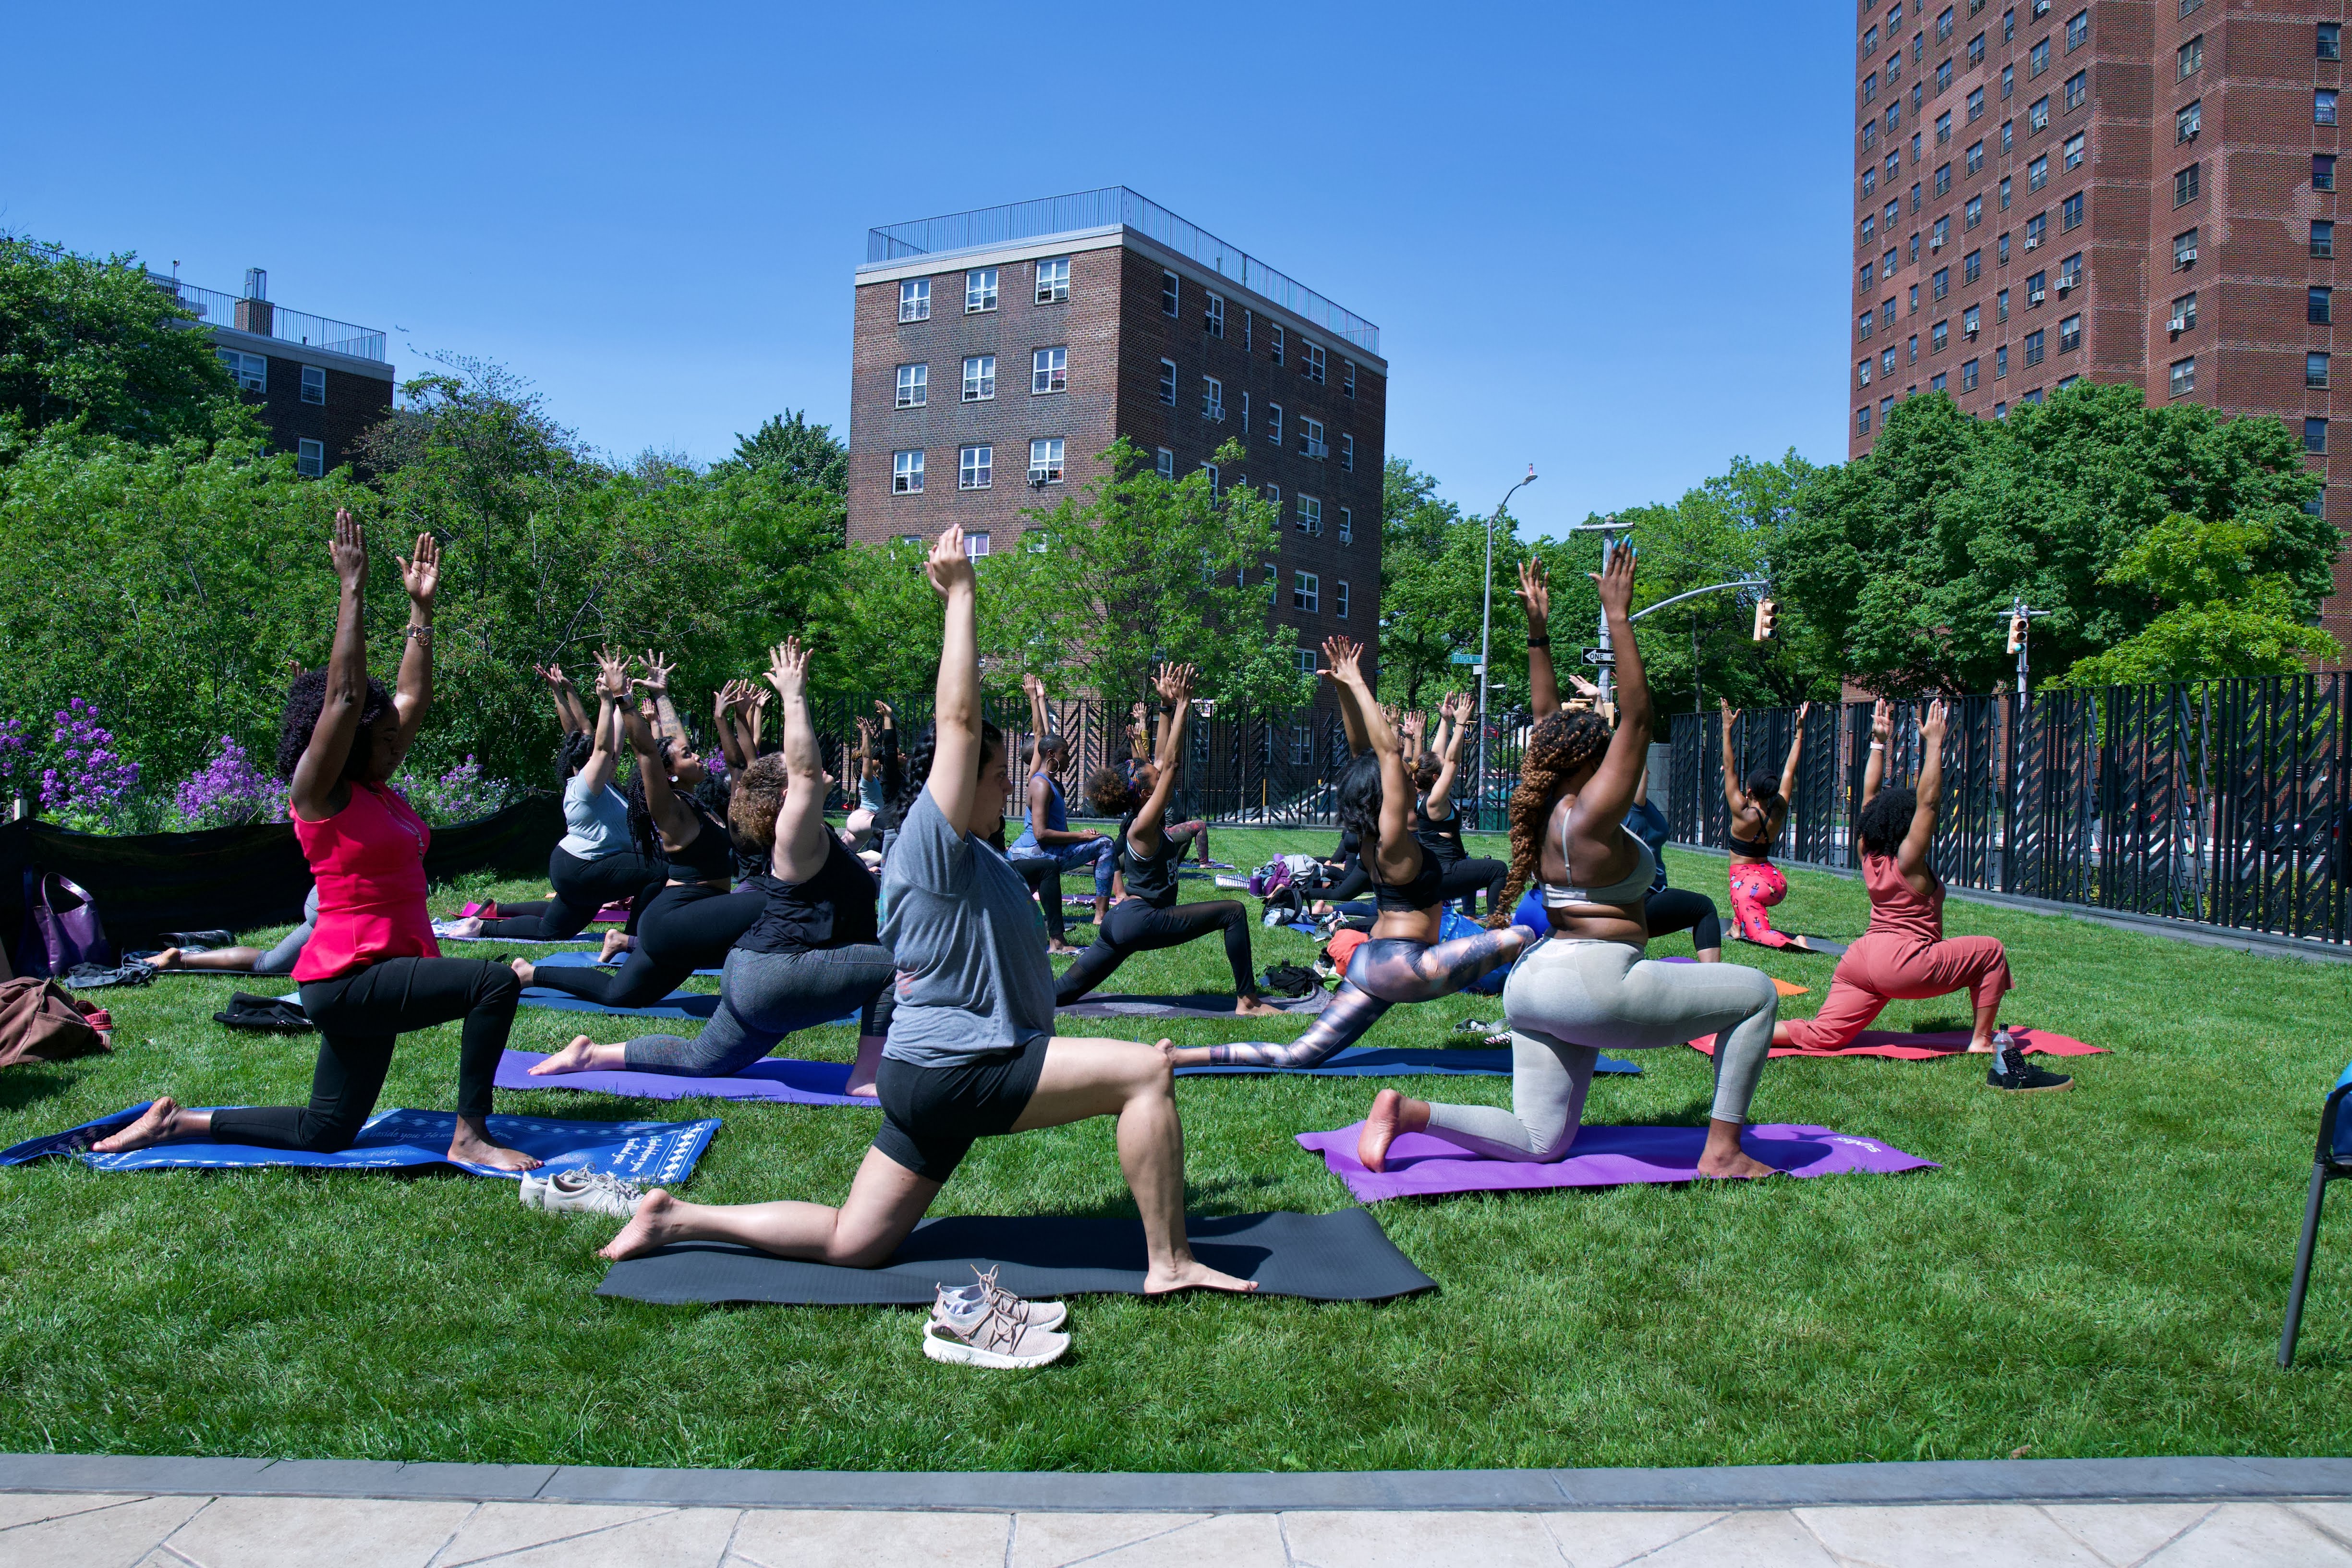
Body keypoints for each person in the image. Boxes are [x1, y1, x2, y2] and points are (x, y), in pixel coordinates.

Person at [596, 525, 1257, 1307]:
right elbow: (958, 723)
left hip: (931, 1068)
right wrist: (962, 598)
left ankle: (676, 1217)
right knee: (1146, 1077)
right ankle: (1170, 1262)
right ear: (958, 782)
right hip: (954, 1069)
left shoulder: (972, 855)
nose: (1007, 790)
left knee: (857, 1241)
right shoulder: (931, 846)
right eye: (997, 777)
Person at [95, 511, 539, 1170]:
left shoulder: (378, 789)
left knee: (324, 1131)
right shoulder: (319, 796)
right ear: (349, 737)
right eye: (383, 735)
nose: (398, 741)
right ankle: (470, 1133)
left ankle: (176, 1121)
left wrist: (422, 612)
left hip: (381, 974)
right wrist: (352, 590)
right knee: (492, 985)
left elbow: (410, 695)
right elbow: (342, 697)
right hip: (352, 976)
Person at [1356, 544, 1782, 1179]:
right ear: (1589, 758)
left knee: (1539, 1140)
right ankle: (1722, 1151)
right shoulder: (1588, 815)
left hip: (1534, 985)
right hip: (1594, 985)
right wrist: (1617, 615)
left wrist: (1538, 633)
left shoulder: (1549, 799)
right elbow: (1637, 715)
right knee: (1755, 995)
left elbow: (1543, 713)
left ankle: (1406, 1111)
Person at [531, 638, 895, 1096]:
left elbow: (753, 762)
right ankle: (867, 1077)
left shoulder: (796, 833)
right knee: (894, 965)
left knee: (700, 1059)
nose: (811, 765)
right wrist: (794, 696)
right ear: (788, 799)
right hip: (763, 967)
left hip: (753, 971)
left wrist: (663, 697)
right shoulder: (786, 835)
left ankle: (592, 1054)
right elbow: (796, 773)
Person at [1167, 636, 1528, 1071]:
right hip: (1410, 966)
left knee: (1295, 1055)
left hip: (1371, 962)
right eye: (1404, 787)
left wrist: (1340, 688)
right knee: (1522, 938)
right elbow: (1390, 754)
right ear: (1388, 801)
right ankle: (1525, 1024)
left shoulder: (1374, 836)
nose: (1411, 787)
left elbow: (1364, 756)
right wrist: (1358, 682)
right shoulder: (1396, 843)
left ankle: (1182, 1054)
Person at [1776, 701, 2064, 1090]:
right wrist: (1934, 745)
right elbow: (1929, 802)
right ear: (1906, 825)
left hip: (1859, 960)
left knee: (1823, 1033)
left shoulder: (1869, 853)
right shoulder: (1908, 860)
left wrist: (1879, 744)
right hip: (1905, 963)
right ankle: (1979, 1040)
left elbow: (1868, 799)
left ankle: (1748, 1029)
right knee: (1991, 950)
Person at [514, 650, 761, 1009]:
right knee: (769, 902)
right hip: (678, 916)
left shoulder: (701, 804)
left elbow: (738, 765)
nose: (699, 757)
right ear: (671, 773)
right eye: (689, 755)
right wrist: (623, 701)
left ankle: (530, 973)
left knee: (619, 995)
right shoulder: (671, 811)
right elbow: (648, 751)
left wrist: (664, 696)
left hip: (691, 922)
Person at [1049, 666, 1279, 1017]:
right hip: (1142, 920)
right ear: (1144, 791)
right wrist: (1186, 703)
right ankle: (1248, 1002)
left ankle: (1006, 998)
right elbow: (1170, 764)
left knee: (1058, 994)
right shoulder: (1142, 826)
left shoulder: (1140, 813)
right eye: (1154, 776)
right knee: (1233, 912)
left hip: (1124, 920)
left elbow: (1159, 760)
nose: (1158, 771)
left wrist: (1166, 708)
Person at [458, 651, 667, 942]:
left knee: (552, 932)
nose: (613, 759)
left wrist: (621, 699)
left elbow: (612, 740)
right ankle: (634, 940)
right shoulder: (584, 788)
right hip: (581, 868)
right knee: (660, 868)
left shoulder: (604, 785)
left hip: (579, 868)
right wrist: (607, 701)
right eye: (604, 758)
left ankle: (479, 927)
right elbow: (602, 747)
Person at [1008, 674, 1115, 955]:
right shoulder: (1040, 783)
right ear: (1052, 756)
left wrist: (1042, 700)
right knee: (1105, 844)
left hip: (1043, 852)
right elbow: (1042, 834)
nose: (1070, 757)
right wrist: (1081, 835)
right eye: (1066, 753)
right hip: (1037, 853)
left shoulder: (1048, 778)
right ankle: (1101, 915)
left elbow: (1045, 738)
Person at [1722, 700, 1830, 952]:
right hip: (1775, 883)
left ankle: (1795, 942)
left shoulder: (1742, 814)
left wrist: (1727, 729)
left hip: (1747, 884)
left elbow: (1729, 768)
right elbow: (1790, 771)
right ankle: (1737, 926)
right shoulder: (1779, 809)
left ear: (1748, 791)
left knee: (1758, 933)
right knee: (1747, 904)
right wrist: (1799, 731)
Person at [1412, 692, 1509, 917]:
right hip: (1444, 874)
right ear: (1437, 778)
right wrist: (1461, 723)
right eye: (1442, 768)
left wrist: (1445, 720)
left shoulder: (1422, 795)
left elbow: (1436, 755)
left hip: (1436, 871)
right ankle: (1497, 922)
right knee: (1498, 869)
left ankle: (1470, 914)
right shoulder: (1435, 801)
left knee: (1471, 863)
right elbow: (1453, 761)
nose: (1445, 762)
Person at [145, 887, 320, 975]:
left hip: (323, 897)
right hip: (332, 905)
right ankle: (180, 960)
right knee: (267, 964)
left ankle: (182, 960)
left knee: (268, 963)